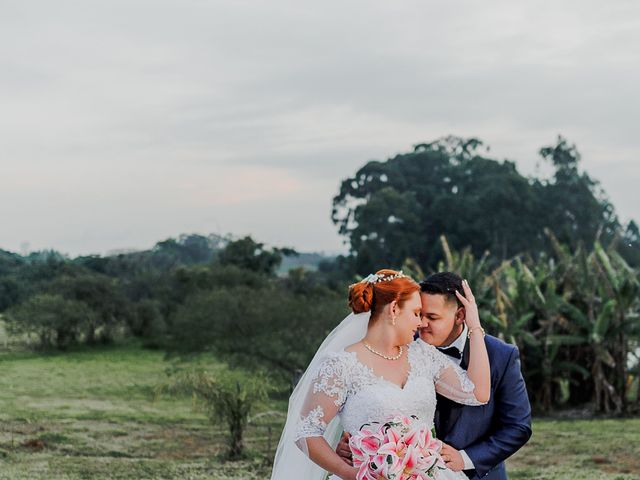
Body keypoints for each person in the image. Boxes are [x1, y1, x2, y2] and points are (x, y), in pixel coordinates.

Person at [271, 269, 490, 480]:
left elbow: (479, 393)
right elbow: (306, 431)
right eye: (416, 313)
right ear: (394, 310)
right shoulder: (342, 365)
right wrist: (351, 474)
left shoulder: (424, 355)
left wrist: (475, 327)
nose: (421, 323)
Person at [337, 272, 532, 479]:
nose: (421, 324)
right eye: (419, 313)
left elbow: (517, 426)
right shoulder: (403, 345)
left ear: (460, 316)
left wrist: (465, 458)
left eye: (431, 317)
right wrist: (358, 438)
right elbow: (373, 396)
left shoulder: (501, 355)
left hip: (478, 474)